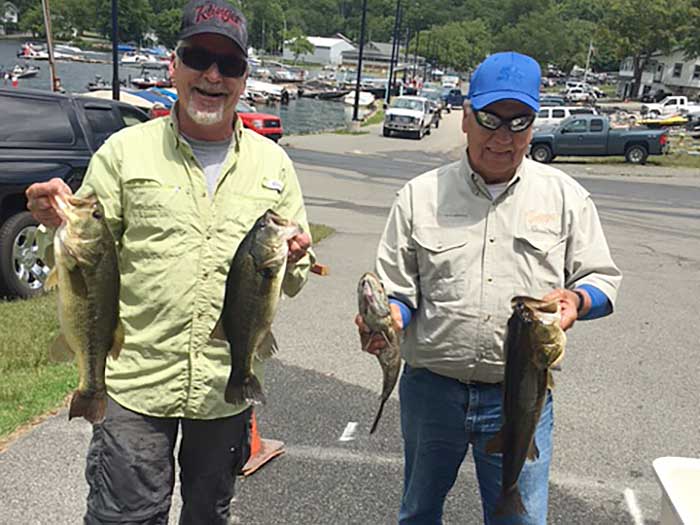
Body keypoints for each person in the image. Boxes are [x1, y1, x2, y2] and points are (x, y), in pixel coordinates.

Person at [25, 1, 313, 523]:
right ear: (173, 65)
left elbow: (287, 282)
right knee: (125, 517)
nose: (212, 75)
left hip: (223, 388)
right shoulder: (123, 152)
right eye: (198, 56)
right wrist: (53, 223)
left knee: (208, 513)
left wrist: (295, 259)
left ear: (245, 78)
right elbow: (78, 258)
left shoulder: (275, 165)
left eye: (229, 64)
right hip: (135, 384)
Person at [356, 51, 622, 525]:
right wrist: (391, 318)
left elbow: (603, 280)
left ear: (534, 125)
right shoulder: (419, 196)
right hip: (432, 390)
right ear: (465, 118)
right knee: (418, 511)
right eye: (489, 119)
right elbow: (399, 292)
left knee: (520, 519)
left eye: (518, 122)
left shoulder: (565, 197)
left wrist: (577, 301)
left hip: (521, 393)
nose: (503, 137)